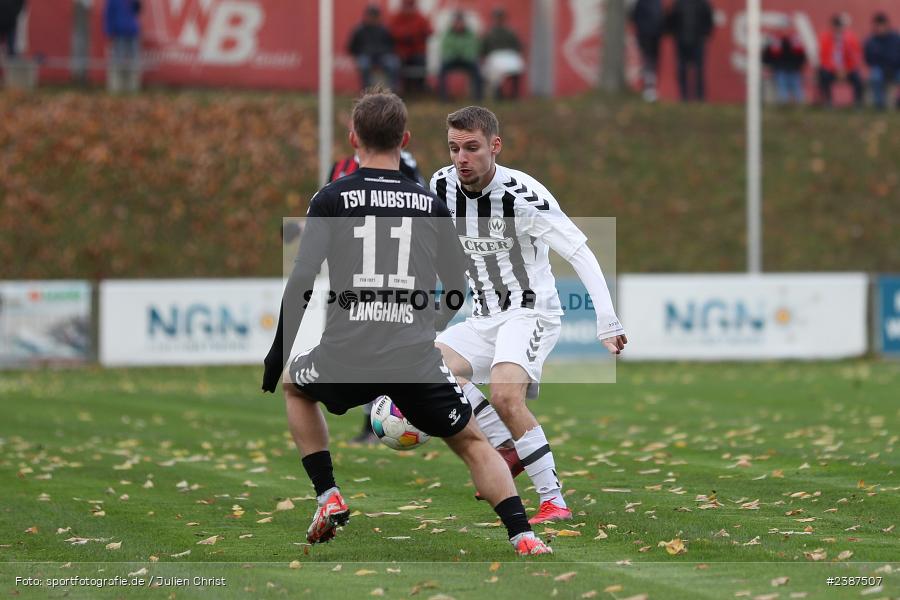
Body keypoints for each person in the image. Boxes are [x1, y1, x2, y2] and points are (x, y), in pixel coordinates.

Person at [261, 89, 552, 556]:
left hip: (346, 352)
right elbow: (456, 286)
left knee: (296, 387)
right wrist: (426, 326)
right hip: (414, 358)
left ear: (353, 138)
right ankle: (524, 537)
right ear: (406, 139)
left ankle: (328, 494)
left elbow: (301, 282)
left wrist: (277, 355)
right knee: (473, 443)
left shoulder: (331, 198)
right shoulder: (430, 203)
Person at [430, 106, 627, 525]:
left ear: (495, 146)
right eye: (454, 149)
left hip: (530, 312)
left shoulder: (524, 196)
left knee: (505, 395)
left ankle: (554, 501)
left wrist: (607, 320)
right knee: (427, 367)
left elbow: (579, 251)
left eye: (472, 148)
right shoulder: (440, 186)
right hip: (482, 316)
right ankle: (506, 445)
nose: (461, 158)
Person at [328, 145, 426, 444]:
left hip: (392, 270)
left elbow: (421, 205)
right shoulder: (340, 167)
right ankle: (374, 420)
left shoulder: (404, 163)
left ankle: (394, 416)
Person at [667, 0, 714, 102]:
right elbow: (671, 19)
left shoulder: (702, 3)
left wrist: (705, 33)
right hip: (681, 41)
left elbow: (708, 19)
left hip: (698, 41)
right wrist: (674, 33)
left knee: (698, 70)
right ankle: (684, 96)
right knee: (682, 69)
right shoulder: (679, 3)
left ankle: (699, 96)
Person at [348, 5, 400, 91]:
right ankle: (367, 90)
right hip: (365, 55)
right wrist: (360, 53)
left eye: (375, 16)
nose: (373, 18)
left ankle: (393, 89)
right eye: (371, 15)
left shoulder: (385, 29)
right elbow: (352, 47)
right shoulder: (359, 30)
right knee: (364, 64)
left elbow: (392, 46)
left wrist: (383, 51)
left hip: (383, 56)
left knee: (393, 63)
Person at [817, 14, 864, 108]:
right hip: (831, 70)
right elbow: (824, 57)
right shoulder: (825, 38)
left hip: (848, 69)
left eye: (839, 26)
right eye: (836, 26)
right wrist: (835, 69)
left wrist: (846, 69)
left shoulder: (851, 38)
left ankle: (858, 102)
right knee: (823, 75)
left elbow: (855, 56)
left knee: (858, 78)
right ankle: (828, 101)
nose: (838, 29)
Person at [388, 0, 432, 96]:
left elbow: (429, 31)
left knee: (420, 61)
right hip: (401, 52)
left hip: (417, 51)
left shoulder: (420, 17)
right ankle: (402, 89)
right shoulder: (396, 17)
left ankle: (419, 88)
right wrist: (405, 35)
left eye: (410, 6)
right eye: (407, 6)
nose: (408, 9)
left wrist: (415, 36)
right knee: (397, 63)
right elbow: (391, 32)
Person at [480, 7, 524, 100]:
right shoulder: (490, 32)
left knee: (517, 67)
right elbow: (484, 48)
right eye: (497, 17)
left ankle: (514, 95)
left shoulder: (510, 31)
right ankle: (498, 95)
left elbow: (518, 46)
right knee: (495, 72)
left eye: (500, 17)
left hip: (509, 55)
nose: (498, 19)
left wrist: (515, 52)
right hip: (495, 56)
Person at [438, 11, 482, 102]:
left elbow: (473, 48)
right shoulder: (447, 34)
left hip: (466, 59)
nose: (458, 24)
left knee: (477, 70)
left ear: (464, 23)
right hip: (452, 59)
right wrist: (458, 52)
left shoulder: (470, 34)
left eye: (460, 22)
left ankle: (478, 97)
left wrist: (459, 51)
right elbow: (445, 49)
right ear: (453, 23)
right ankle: (443, 98)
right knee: (442, 70)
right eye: (456, 22)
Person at [762, 26, 807, 105]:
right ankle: (786, 106)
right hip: (782, 69)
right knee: (784, 89)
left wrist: (799, 65)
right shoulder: (776, 41)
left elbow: (802, 55)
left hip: (791, 69)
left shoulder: (794, 41)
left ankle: (798, 106)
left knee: (795, 88)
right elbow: (767, 55)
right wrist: (770, 65)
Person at [630, 0, 665, 103]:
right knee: (648, 62)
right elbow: (634, 17)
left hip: (655, 37)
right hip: (645, 36)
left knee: (653, 62)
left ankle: (651, 89)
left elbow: (661, 18)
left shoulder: (657, 2)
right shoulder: (641, 2)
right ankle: (648, 89)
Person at [864, 12, 900, 110]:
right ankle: (879, 104)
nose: (880, 28)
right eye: (877, 25)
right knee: (875, 77)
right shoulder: (871, 41)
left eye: (881, 25)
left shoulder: (896, 38)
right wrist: (883, 67)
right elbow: (869, 59)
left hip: (896, 68)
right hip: (880, 69)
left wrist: (893, 67)